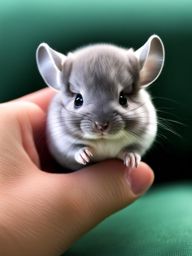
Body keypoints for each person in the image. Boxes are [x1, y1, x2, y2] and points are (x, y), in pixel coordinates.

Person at [0, 88, 154, 255]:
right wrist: (76, 152)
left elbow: (145, 135)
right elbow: (60, 144)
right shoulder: (58, 117)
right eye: (79, 101)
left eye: (122, 99)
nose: (100, 124)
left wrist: (131, 151)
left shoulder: (142, 114)